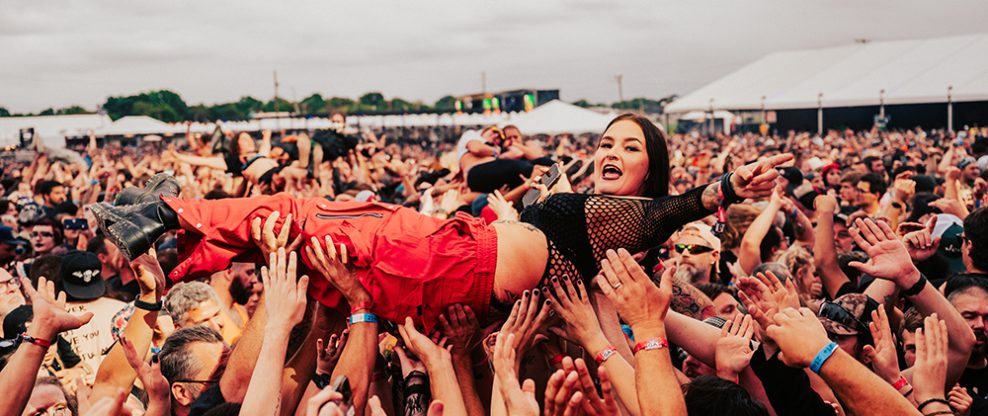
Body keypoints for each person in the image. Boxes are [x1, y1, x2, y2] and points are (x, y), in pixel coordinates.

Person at [89, 115, 793, 329]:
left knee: (314, 217)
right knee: (304, 244)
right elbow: (489, 179)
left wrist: (721, 191)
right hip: (455, 255)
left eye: (629, 147)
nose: (610, 152)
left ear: (657, 167)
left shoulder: (631, 230)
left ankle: (164, 214)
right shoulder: (579, 209)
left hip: (462, 263)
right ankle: (169, 252)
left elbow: (658, 219)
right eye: (606, 141)